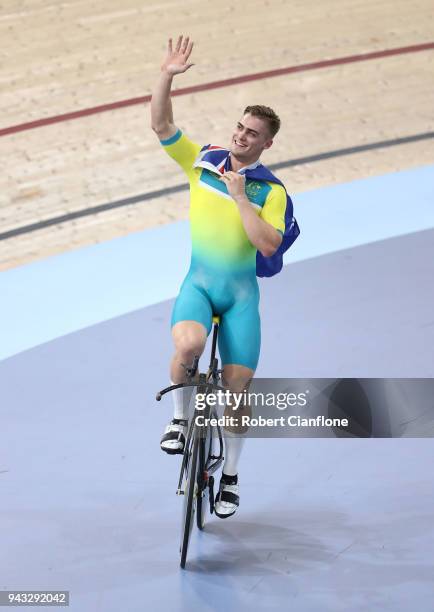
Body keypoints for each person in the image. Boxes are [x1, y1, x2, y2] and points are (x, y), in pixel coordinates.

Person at [151, 35, 286, 518]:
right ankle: (178, 421)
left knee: (236, 394)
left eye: (253, 133)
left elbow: (267, 244)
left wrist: (241, 196)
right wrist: (166, 74)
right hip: (200, 286)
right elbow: (162, 124)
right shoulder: (202, 161)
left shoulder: (270, 191)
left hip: (240, 300)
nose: (241, 136)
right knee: (186, 346)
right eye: (239, 127)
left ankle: (229, 474)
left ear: (267, 143)